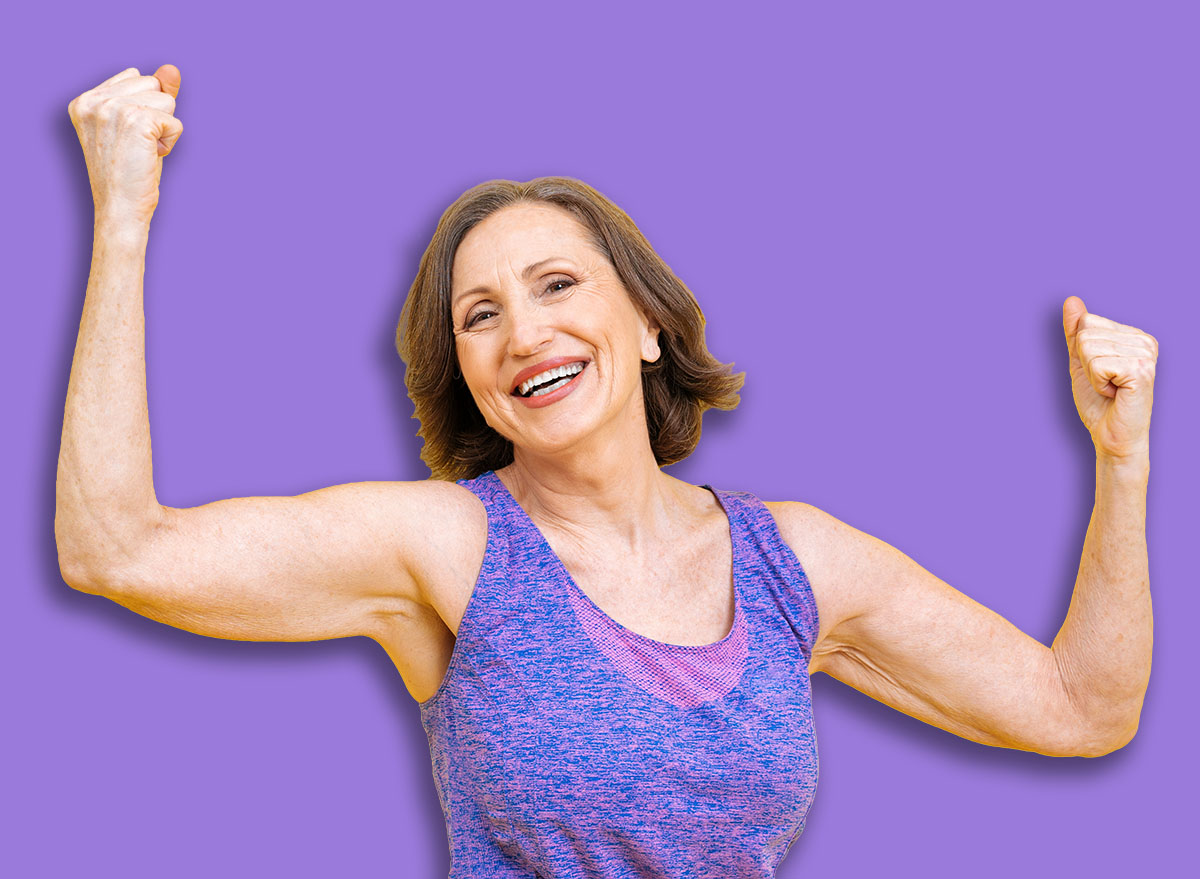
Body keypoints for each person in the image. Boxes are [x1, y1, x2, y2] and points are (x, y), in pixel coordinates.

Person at [57, 65, 1156, 878]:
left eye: (556, 287)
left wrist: (1122, 459)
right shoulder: (447, 549)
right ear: (469, 376)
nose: (522, 333)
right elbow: (116, 548)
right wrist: (123, 218)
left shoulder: (792, 564)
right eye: (479, 316)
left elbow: (1080, 709)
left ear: (642, 325)